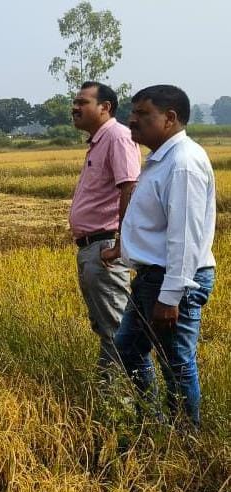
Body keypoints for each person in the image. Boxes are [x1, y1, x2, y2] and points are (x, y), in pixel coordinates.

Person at [106, 85, 217, 430]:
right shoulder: (161, 159)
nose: (132, 120)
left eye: (142, 114)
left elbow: (184, 236)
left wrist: (170, 297)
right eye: (133, 113)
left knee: (177, 362)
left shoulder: (183, 164)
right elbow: (156, 224)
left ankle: (186, 436)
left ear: (169, 118)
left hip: (173, 278)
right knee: (128, 348)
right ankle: (154, 420)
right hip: (155, 276)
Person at [68, 81, 142, 375]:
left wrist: (120, 245)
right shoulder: (99, 141)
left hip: (104, 248)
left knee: (117, 330)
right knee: (107, 328)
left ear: (105, 107)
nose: (75, 107)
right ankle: (110, 395)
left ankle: (122, 401)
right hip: (93, 247)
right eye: (74, 102)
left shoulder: (117, 137)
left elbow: (130, 189)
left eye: (82, 102)